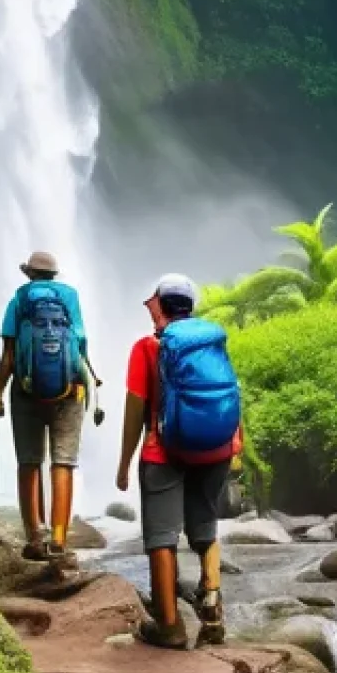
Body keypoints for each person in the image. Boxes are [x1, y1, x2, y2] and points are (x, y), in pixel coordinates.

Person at [116, 274, 243, 650]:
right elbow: (229, 392)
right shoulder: (210, 343)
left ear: (159, 304)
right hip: (217, 447)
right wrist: (236, 444)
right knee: (205, 525)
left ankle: (170, 626)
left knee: (161, 536)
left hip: (164, 450)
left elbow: (136, 407)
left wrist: (124, 462)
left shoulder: (147, 347)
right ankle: (213, 600)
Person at [0, 251, 90, 567]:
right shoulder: (71, 297)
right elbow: (81, 343)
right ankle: (59, 539)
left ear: (30, 274)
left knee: (29, 462)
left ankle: (34, 537)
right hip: (69, 388)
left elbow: (8, 353)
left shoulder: (19, 299)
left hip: (26, 388)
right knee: (63, 462)